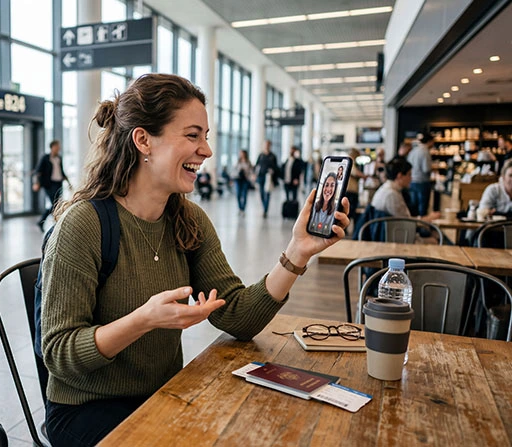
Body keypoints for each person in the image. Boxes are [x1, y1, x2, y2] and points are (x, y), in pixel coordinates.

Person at [39, 74, 350, 447]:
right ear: (143, 140)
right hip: (86, 409)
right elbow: (58, 353)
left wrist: (297, 251)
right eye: (192, 135)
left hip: (160, 394)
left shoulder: (188, 221)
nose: (206, 151)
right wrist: (144, 319)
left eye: (206, 136)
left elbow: (236, 316)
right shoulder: (84, 224)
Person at [370, 157, 440, 222]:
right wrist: (429, 218)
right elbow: (406, 222)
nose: (411, 178)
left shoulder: (387, 188)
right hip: (395, 230)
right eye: (409, 175)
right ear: (400, 176)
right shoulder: (391, 194)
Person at [34, 140, 71, 231]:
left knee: (56, 205)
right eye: (57, 146)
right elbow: (38, 171)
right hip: (49, 184)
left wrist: (69, 182)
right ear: (52, 147)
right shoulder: (45, 158)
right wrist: (37, 183)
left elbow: (61, 171)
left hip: (58, 184)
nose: (59, 148)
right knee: (55, 205)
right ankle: (54, 223)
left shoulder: (59, 158)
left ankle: (45, 222)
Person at [406, 135, 434, 217]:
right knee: (422, 208)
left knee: (413, 207)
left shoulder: (413, 151)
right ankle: (422, 223)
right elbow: (426, 169)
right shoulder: (425, 151)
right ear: (429, 141)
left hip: (412, 181)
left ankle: (413, 223)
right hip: (422, 182)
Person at [255, 140, 279, 218]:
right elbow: (257, 165)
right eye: (265, 144)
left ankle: (265, 210)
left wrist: (272, 171)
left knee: (267, 193)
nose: (266, 146)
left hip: (269, 177)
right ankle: (264, 206)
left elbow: (276, 167)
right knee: (261, 193)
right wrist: (255, 175)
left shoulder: (273, 156)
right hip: (261, 176)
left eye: (268, 145)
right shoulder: (261, 155)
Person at [234, 150, 254, 215]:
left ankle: (243, 209)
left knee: (244, 195)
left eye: (242, 153)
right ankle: (240, 208)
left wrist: (248, 174)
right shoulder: (238, 161)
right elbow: (234, 170)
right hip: (238, 179)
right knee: (238, 194)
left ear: (245, 154)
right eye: (240, 153)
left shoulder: (248, 162)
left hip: (245, 180)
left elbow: (251, 171)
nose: (241, 155)